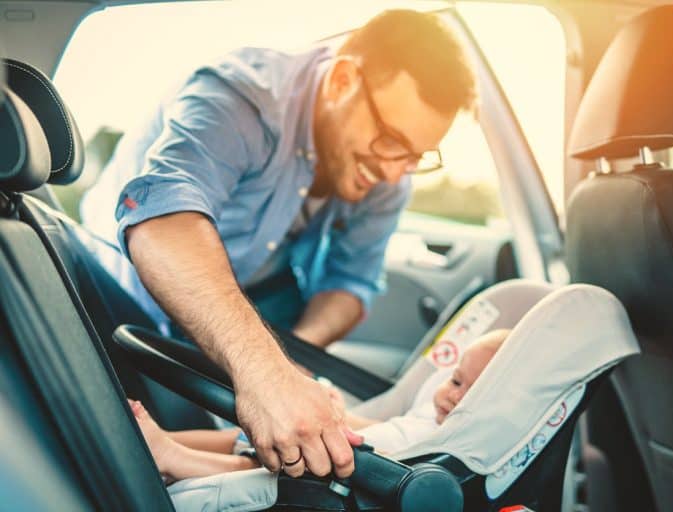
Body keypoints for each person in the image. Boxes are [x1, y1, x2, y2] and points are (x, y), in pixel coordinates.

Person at [80, 9, 475, 479]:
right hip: (128, 293)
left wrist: (291, 361)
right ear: (343, 80)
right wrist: (263, 371)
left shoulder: (389, 171)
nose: (395, 172)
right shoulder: (242, 98)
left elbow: (351, 283)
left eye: (417, 155)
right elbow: (161, 220)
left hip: (251, 299)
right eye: (391, 141)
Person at [131, 330, 508, 481]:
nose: (453, 396)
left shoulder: (449, 444)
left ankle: (175, 458)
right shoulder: (431, 412)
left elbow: (388, 447)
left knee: (259, 461)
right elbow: (383, 426)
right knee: (242, 433)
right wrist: (339, 413)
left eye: (469, 395)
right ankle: (158, 438)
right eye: (455, 381)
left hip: (342, 466)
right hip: (340, 437)